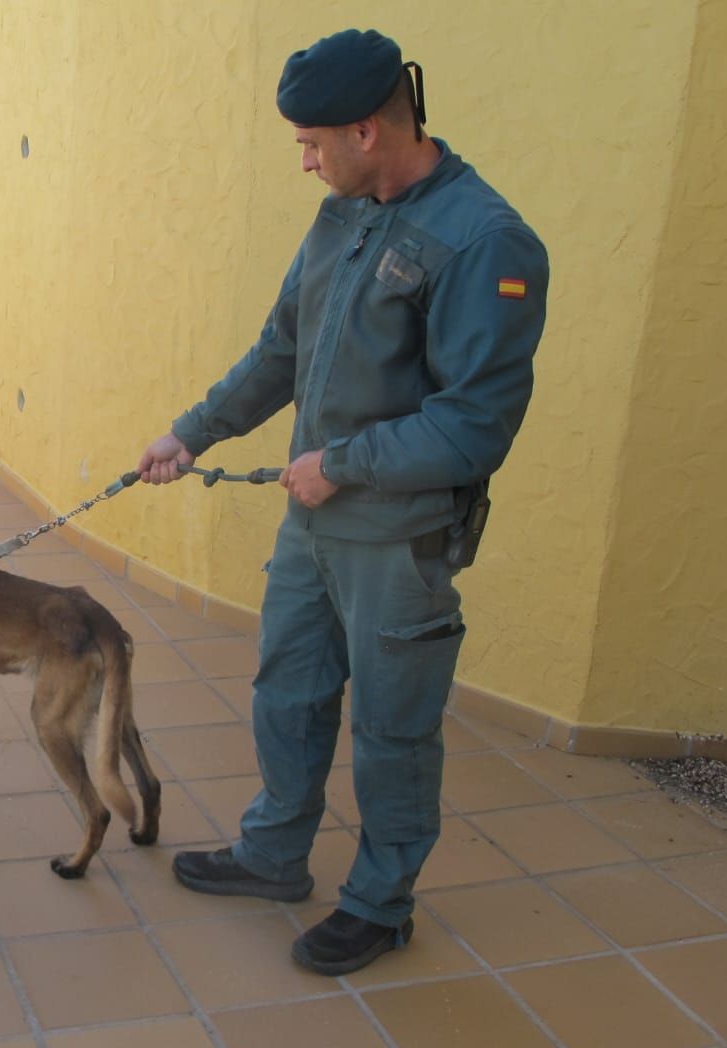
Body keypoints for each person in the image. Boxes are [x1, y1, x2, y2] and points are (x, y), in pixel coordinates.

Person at [136, 30, 549, 975]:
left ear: (367, 131)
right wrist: (193, 431)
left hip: (398, 541)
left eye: (313, 144)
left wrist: (345, 464)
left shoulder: (486, 241)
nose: (306, 162)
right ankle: (275, 854)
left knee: (391, 730)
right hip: (313, 526)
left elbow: (475, 425)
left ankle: (379, 902)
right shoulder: (344, 214)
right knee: (287, 693)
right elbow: (282, 347)